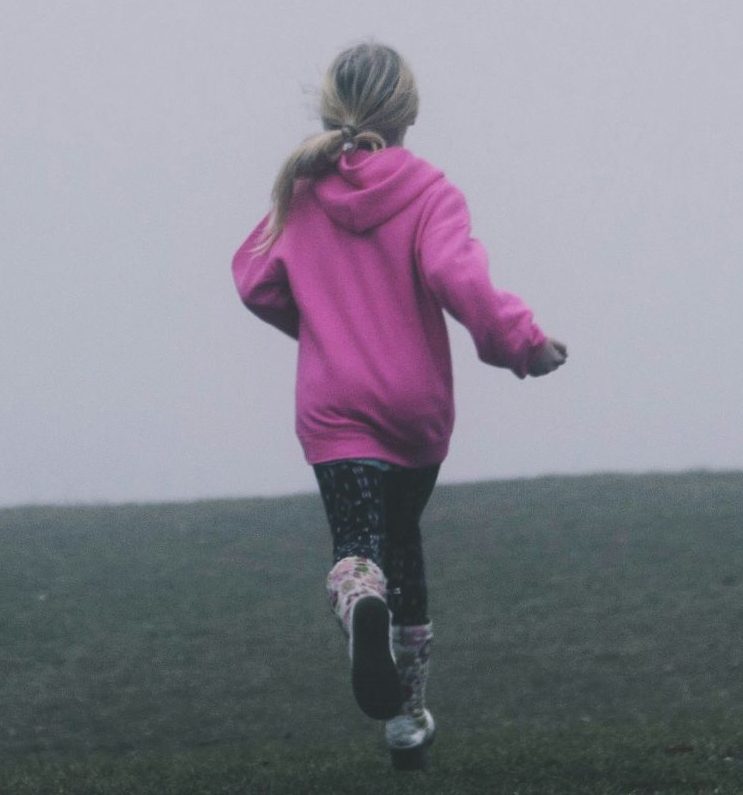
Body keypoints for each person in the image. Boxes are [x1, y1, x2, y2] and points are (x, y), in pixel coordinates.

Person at [230, 42, 567, 771]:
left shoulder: (301, 190)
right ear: (409, 114)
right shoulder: (430, 193)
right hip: (414, 412)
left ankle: (360, 606)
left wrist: (322, 326)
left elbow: (256, 280)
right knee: (404, 545)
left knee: (360, 545)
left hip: (334, 410)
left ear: (330, 110)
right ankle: (407, 718)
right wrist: (524, 343)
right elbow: (458, 277)